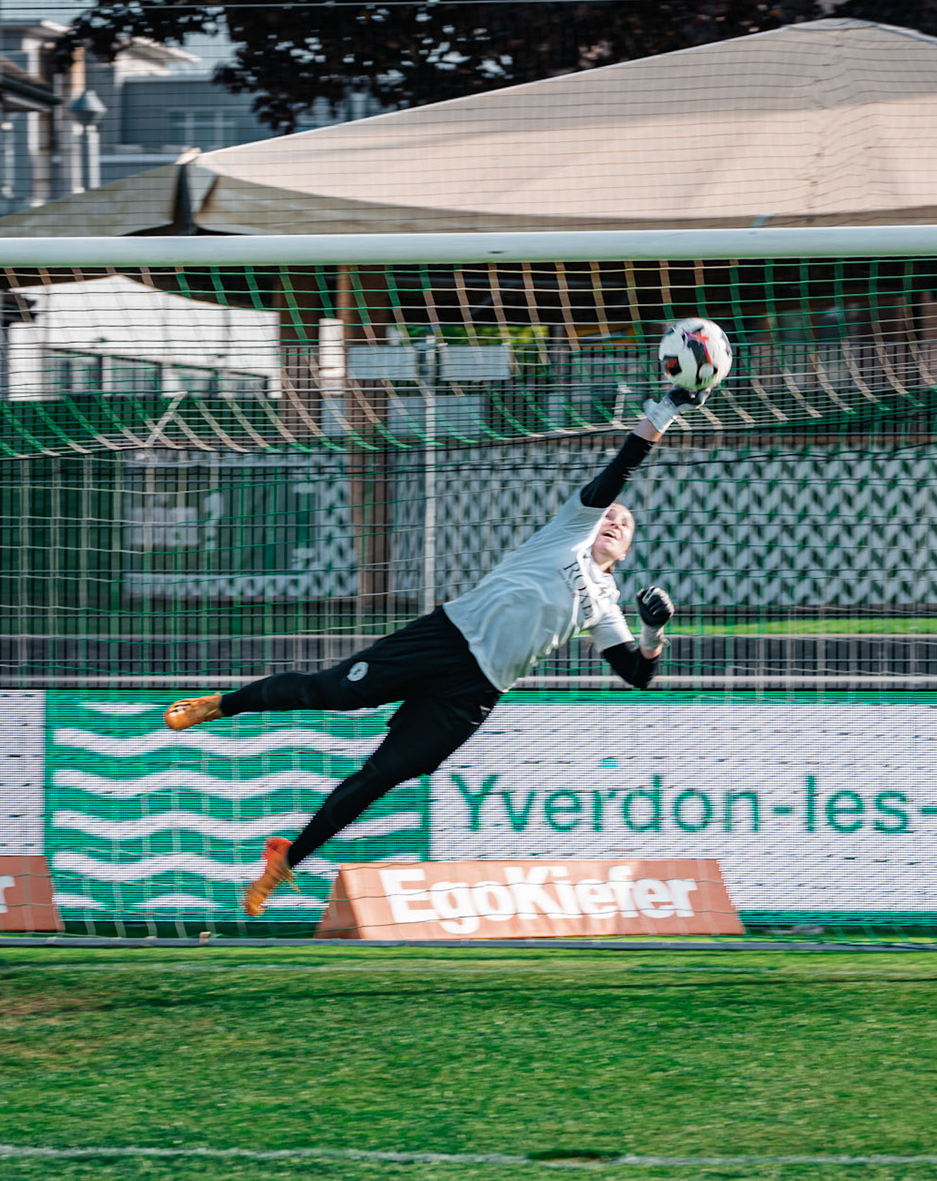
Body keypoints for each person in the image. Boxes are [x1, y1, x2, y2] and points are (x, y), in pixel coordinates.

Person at [164, 388, 703, 916]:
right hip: (444, 640)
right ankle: (220, 705)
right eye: (612, 515)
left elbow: (636, 674)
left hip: (473, 696)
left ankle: (286, 861)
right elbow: (624, 466)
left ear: (628, 549)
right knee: (328, 691)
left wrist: (654, 633)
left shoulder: (605, 605)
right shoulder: (567, 532)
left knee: (381, 776)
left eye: (625, 525)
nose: (614, 521)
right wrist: (665, 409)